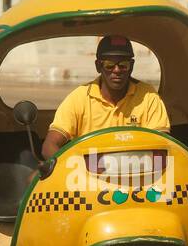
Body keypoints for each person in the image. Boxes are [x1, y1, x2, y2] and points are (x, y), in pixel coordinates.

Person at [40, 35, 171, 159]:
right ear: (98, 66)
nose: (117, 70)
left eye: (123, 65)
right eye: (109, 65)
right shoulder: (79, 98)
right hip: (85, 178)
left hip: (139, 176)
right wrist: (73, 169)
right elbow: (49, 146)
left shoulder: (149, 97)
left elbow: (163, 146)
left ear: (131, 67)